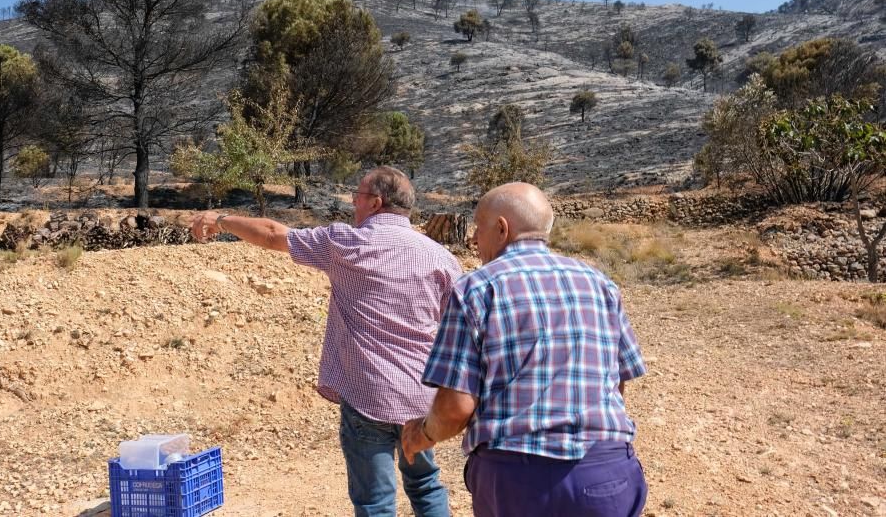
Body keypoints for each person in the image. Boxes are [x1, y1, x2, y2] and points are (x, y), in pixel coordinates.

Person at [191, 166, 462, 517]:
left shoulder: (345, 243)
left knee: (375, 502)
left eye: (359, 195)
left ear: (376, 203)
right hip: (421, 396)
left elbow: (274, 234)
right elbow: (454, 330)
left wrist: (221, 218)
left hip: (369, 393)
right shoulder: (440, 257)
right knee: (426, 485)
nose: (353, 202)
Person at [401, 182, 648, 517]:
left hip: (518, 480)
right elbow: (617, 383)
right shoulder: (600, 283)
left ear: (502, 228)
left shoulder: (476, 289)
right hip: (606, 471)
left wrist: (421, 435)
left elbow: (456, 408)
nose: (474, 239)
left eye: (478, 228)